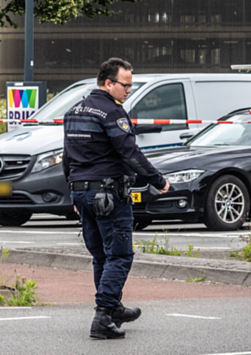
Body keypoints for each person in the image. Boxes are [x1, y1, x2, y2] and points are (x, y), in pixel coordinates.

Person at [62, 57, 170, 340]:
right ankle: (103, 316)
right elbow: (130, 153)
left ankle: (112, 309)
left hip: (82, 191)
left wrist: (74, 191)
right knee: (120, 255)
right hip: (108, 194)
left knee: (101, 255)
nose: (128, 91)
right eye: (125, 85)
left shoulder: (74, 111)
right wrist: (158, 181)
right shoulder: (111, 112)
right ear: (108, 83)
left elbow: (67, 156)